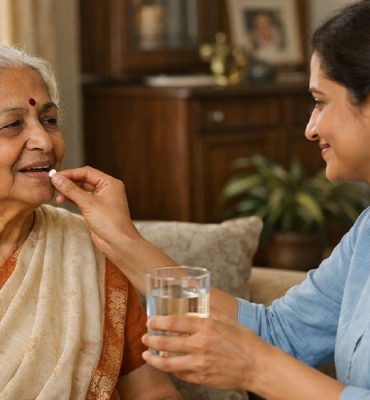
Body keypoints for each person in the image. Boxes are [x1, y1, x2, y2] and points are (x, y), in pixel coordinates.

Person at [47, 0, 370, 399]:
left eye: (320, 102)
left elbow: (265, 351)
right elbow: (279, 334)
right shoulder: (366, 233)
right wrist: (124, 240)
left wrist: (255, 368)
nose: (309, 128)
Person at [0, 44, 181, 399]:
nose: (43, 140)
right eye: (11, 125)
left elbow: (151, 391)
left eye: (49, 120)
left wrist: (125, 238)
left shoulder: (87, 247)